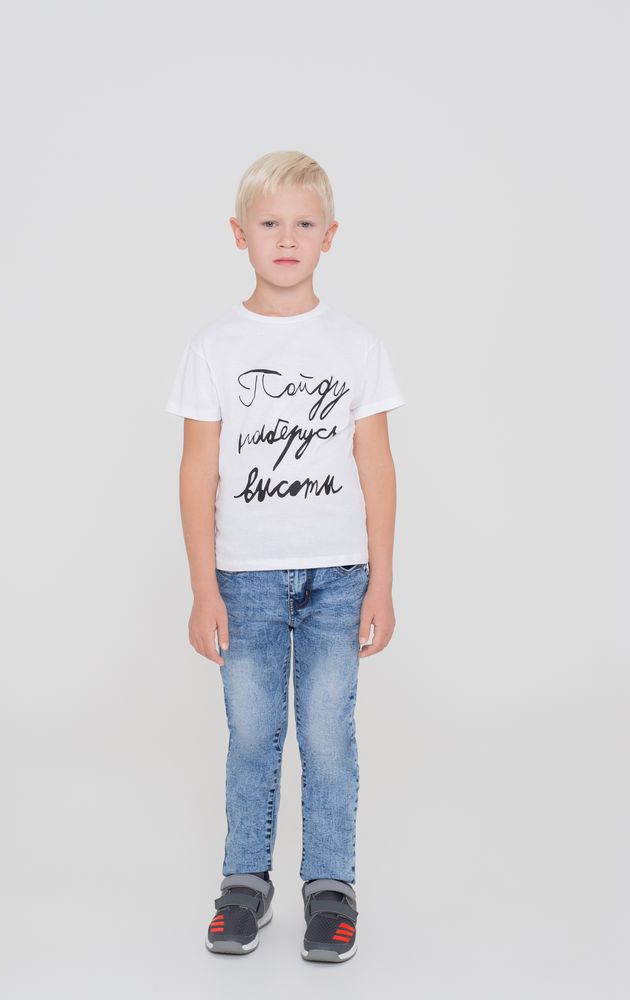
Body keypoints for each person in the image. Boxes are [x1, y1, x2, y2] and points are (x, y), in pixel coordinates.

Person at [163, 150, 407, 962]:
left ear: (330, 236)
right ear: (240, 235)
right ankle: (245, 883)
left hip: (339, 580)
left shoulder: (356, 346)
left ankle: (330, 887)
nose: (288, 238)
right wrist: (204, 589)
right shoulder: (214, 347)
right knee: (252, 734)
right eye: (270, 223)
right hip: (246, 581)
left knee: (328, 735)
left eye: (305, 223)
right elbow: (198, 472)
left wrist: (382, 583)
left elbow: (377, 467)